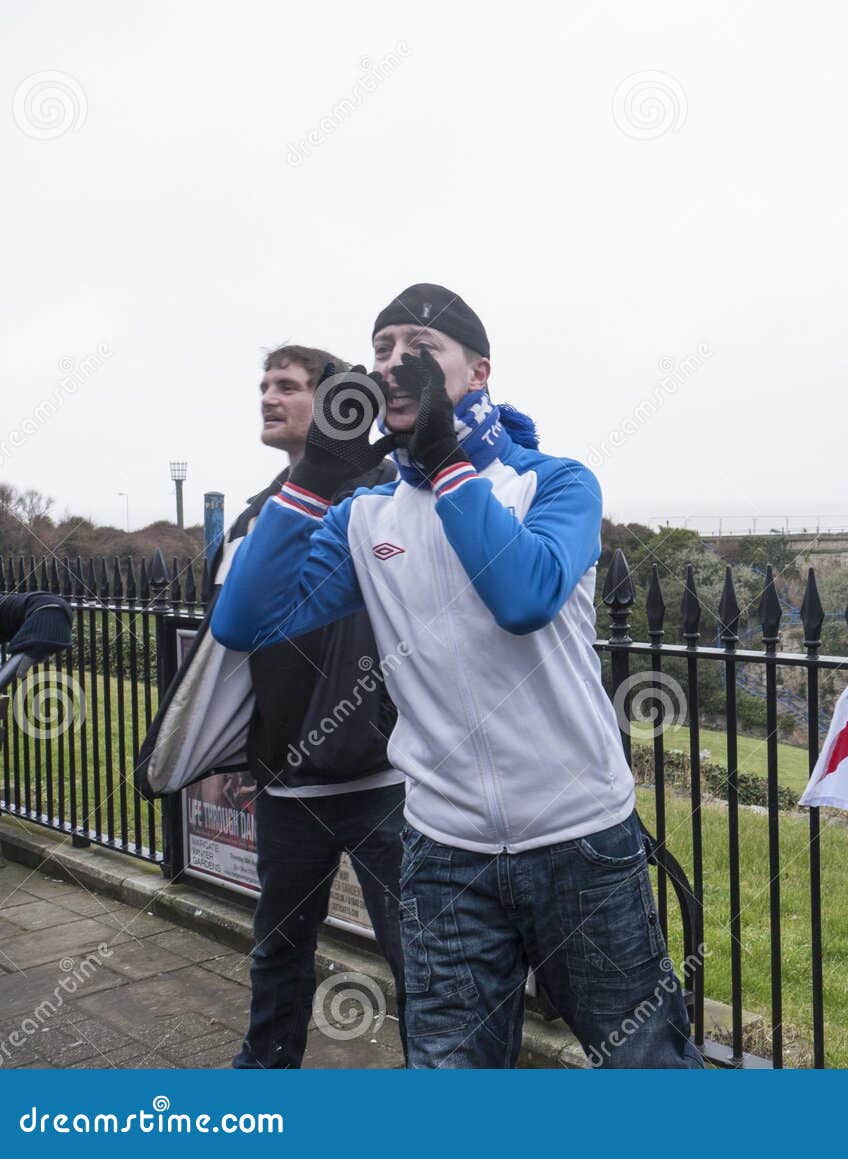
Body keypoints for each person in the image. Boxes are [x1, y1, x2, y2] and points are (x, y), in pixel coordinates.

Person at [211, 285, 700, 1069]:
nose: (395, 364)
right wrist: (314, 479)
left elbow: (524, 596)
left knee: (646, 1064)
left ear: (478, 371)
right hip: (442, 851)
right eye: (381, 349)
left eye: (420, 347)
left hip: (579, 838)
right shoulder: (365, 515)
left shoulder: (556, 482)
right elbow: (243, 622)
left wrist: (445, 462)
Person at [229, 345, 407, 1068]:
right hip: (288, 781)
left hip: (384, 779)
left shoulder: (389, 497)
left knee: (419, 959)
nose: (269, 397)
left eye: (289, 386)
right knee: (278, 952)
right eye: (264, 385)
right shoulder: (262, 512)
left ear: (337, 404)